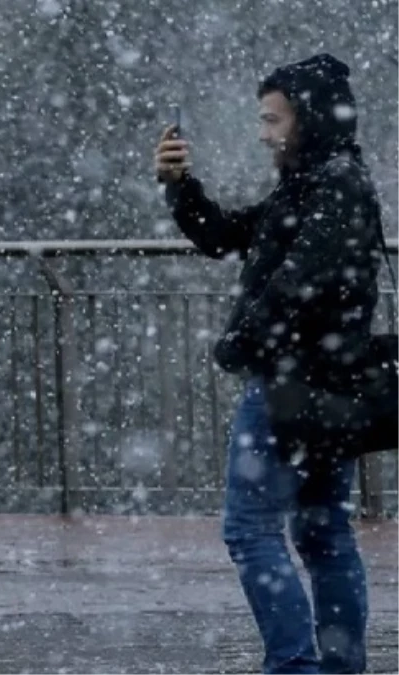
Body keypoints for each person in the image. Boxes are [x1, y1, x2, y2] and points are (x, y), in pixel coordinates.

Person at [155, 54, 380, 674]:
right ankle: (335, 667)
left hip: (292, 385)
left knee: (252, 530)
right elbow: (226, 234)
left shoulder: (331, 183)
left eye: (272, 119)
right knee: (322, 532)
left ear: (307, 119)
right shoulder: (318, 180)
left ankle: (295, 666)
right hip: (327, 383)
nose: (263, 133)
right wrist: (181, 187)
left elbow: (298, 285)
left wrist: (238, 343)